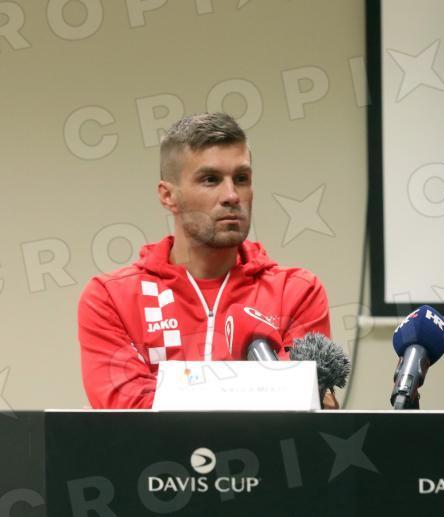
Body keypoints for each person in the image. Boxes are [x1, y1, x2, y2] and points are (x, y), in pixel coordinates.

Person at [78, 113, 337, 409]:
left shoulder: (297, 291)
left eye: (241, 179)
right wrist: (255, 391)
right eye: (210, 180)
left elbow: (298, 409)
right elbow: (129, 412)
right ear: (168, 196)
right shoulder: (110, 297)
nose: (232, 195)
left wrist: (173, 390)